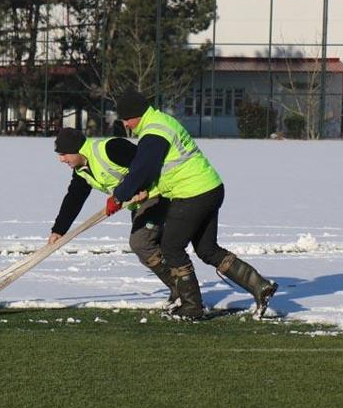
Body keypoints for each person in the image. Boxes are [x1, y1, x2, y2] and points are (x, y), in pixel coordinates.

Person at [109, 89, 278, 320]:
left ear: (136, 115)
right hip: (210, 187)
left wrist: (119, 194)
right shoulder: (161, 123)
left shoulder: (154, 131)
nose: (126, 125)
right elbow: (158, 169)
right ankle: (260, 286)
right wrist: (143, 191)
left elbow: (143, 168)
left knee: (172, 248)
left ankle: (191, 307)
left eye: (126, 119)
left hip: (192, 193)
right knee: (207, 250)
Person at [51, 127, 178, 306]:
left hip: (157, 195)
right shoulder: (81, 170)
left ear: (77, 149)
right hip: (138, 204)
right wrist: (59, 230)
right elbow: (74, 198)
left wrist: (141, 187)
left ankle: (182, 290)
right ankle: (182, 288)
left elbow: (145, 164)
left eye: (64, 154)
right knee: (153, 246)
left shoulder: (110, 148)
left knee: (141, 243)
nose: (61, 159)